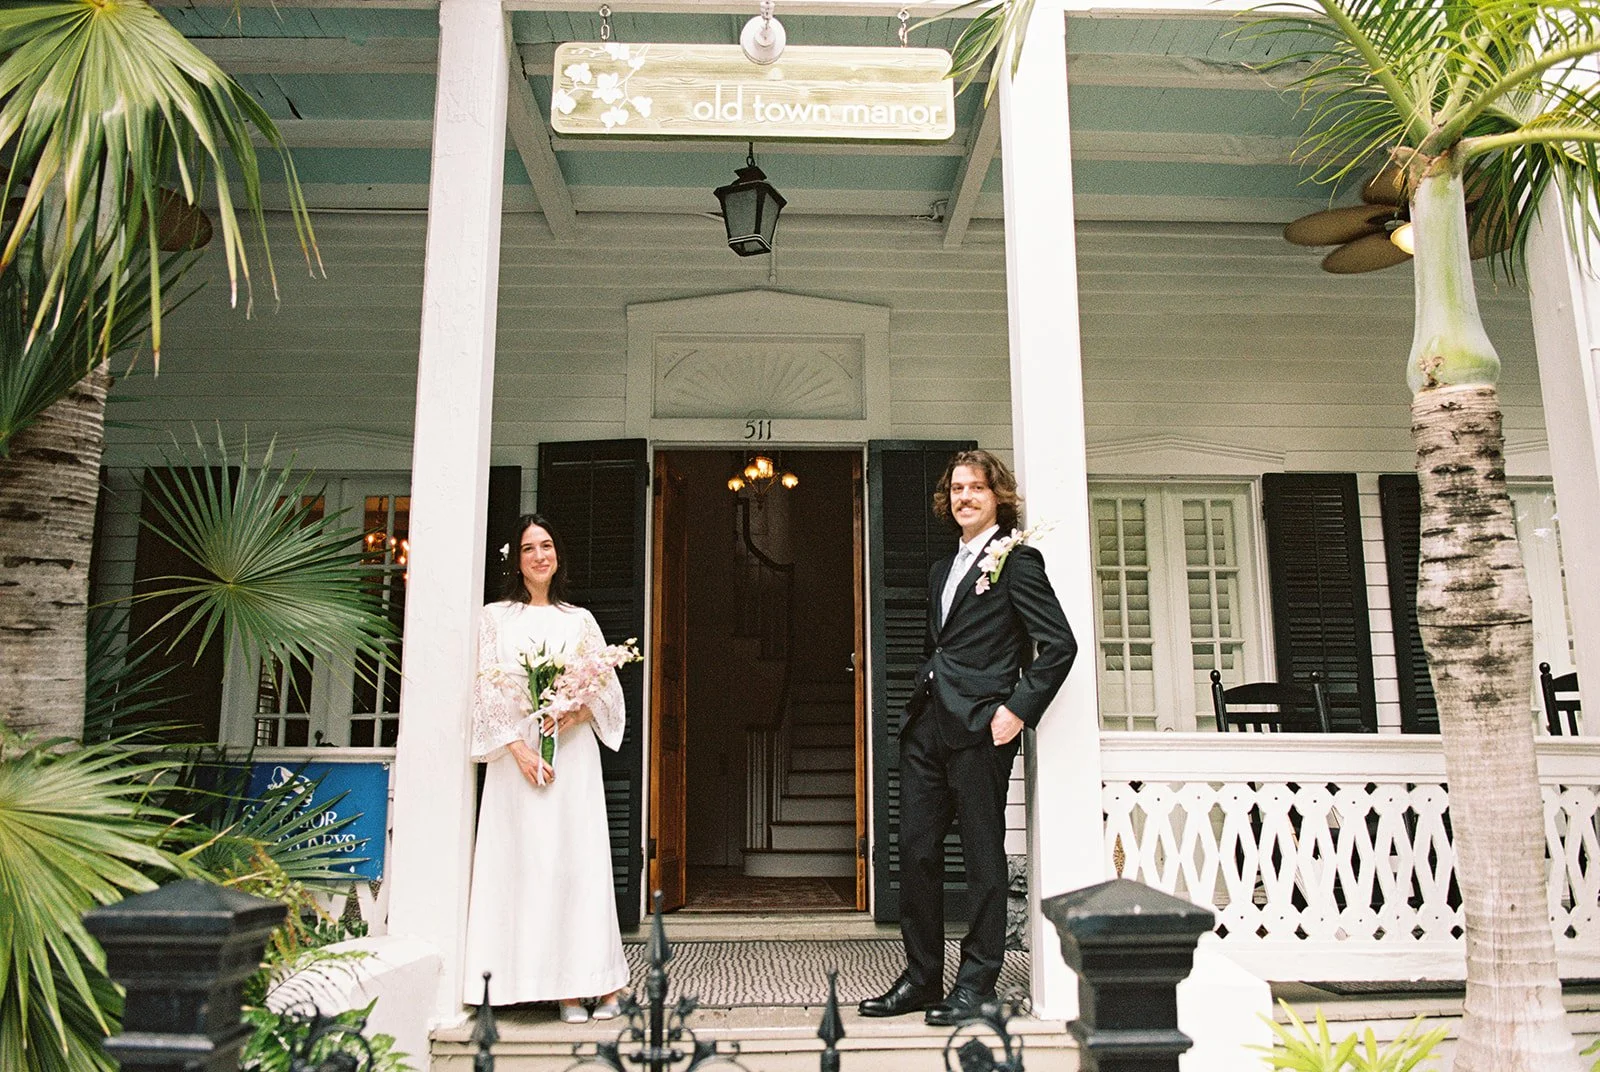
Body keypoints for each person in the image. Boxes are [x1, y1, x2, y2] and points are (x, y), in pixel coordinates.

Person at [858, 450, 1077, 1026]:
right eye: (956, 488)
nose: (964, 497)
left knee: (982, 858)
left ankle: (976, 985)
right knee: (917, 853)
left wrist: (1017, 712)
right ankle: (923, 978)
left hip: (983, 728)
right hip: (927, 726)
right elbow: (944, 644)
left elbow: (1059, 645)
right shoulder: (940, 570)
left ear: (997, 496)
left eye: (976, 487)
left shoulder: (1018, 561)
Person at [463, 513, 629, 1024]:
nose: (541, 555)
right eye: (530, 547)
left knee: (576, 865)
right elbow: (486, 691)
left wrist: (571, 713)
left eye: (548, 545)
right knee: (528, 865)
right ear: (516, 558)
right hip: (519, 766)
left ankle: (589, 984)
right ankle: (537, 983)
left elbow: (604, 689)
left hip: (570, 758)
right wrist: (519, 749)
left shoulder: (578, 620)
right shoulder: (494, 617)